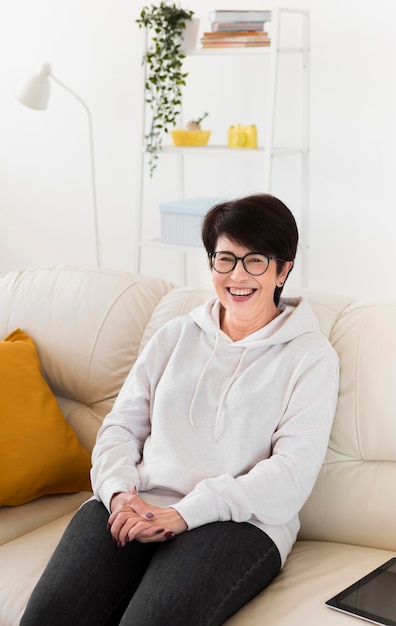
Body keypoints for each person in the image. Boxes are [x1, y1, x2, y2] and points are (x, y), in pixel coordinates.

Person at [21, 193, 339, 626]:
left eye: (255, 261)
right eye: (224, 259)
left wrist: (185, 514)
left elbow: (290, 475)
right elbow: (120, 428)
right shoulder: (175, 336)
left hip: (238, 521)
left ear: (283, 270)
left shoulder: (311, 357)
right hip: (135, 501)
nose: (237, 276)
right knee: (48, 617)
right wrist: (118, 493)